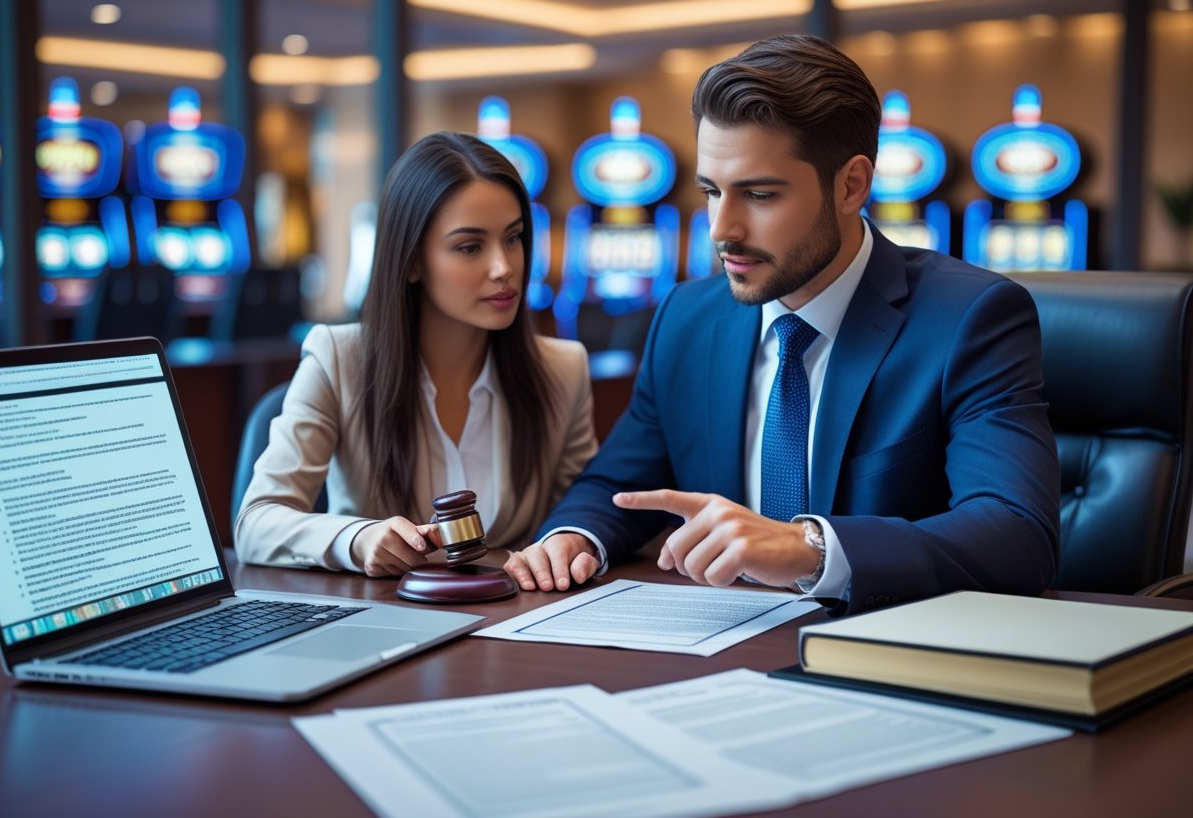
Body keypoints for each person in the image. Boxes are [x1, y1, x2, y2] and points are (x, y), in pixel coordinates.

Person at [504, 34, 1060, 614]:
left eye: (760, 194)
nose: (722, 229)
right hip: (713, 656)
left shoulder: (972, 317)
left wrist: (812, 548)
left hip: (886, 653)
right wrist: (572, 538)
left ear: (851, 185)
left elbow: (1019, 534)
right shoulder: (686, 318)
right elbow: (614, 488)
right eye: (711, 191)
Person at [236, 132, 597, 576]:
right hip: (381, 622)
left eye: (514, 238)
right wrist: (357, 537)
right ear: (411, 261)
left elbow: (584, 512)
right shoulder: (337, 358)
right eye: (470, 247)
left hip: (511, 619)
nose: (505, 268)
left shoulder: (562, 368)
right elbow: (255, 524)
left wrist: (569, 540)